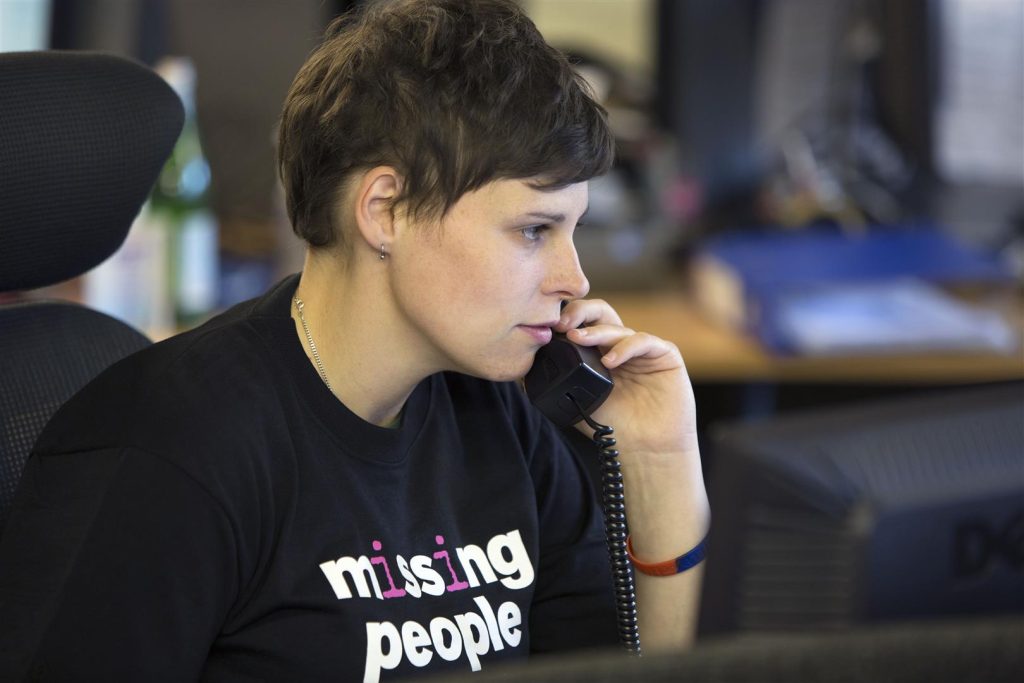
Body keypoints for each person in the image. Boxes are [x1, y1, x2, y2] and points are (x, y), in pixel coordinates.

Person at [0, 1, 709, 680]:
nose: (574, 279)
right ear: (385, 210)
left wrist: (660, 458)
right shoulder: (172, 449)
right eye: (533, 229)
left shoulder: (502, 415)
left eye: (573, 230)